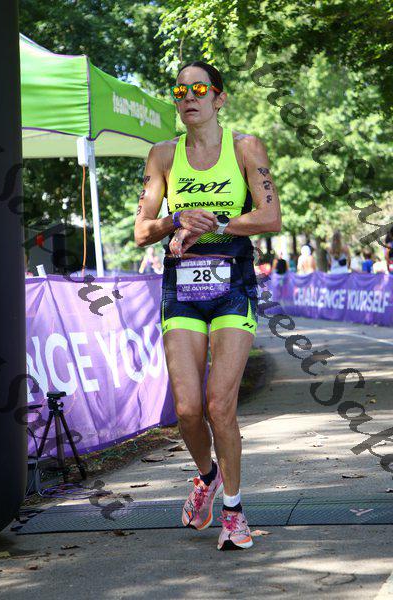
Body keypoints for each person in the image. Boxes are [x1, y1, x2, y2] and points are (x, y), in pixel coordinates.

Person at [134, 60, 281, 550]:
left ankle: (234, 512)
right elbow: (141, 231)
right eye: (180, 92)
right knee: (188, 409)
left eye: (199, 89)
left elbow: (270, 217)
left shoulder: (245, 148)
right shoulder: (162, 155)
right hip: (182, 286)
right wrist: (176, 218)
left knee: (220, 405)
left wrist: (215, 221)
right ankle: (207, 476)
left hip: (232, 282)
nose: (188, 98)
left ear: (219, 98)